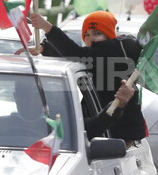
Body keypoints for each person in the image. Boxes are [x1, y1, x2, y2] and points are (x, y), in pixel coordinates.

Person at [29, 10, 147, 143]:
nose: (91, 38)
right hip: (106, 127)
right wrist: (45, 49)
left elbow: (76, 53)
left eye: (97, 33)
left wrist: (48, 28)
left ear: (109, 35)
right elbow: (78, 56)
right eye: (86, 34)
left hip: (121, 132)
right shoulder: (102, 53)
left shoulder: (114, 50)